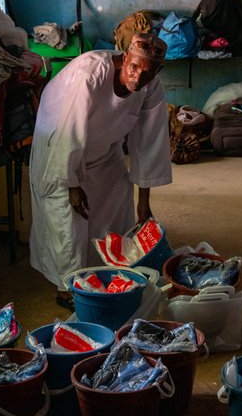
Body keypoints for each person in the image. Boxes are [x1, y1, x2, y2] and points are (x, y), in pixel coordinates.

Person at [28, 32, 172, 309]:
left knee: (117, 198)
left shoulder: (150, 87)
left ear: (158, 71)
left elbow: (149, 144)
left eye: (148, 72)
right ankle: (68, 289)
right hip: (59, 145)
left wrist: (144, 203)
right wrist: (71, 184)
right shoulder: (90, 74)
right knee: (67, 218)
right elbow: (68, 131)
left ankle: (105, 270)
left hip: (103, 149)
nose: (138, 78)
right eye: (134, 67)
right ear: (124, 58)